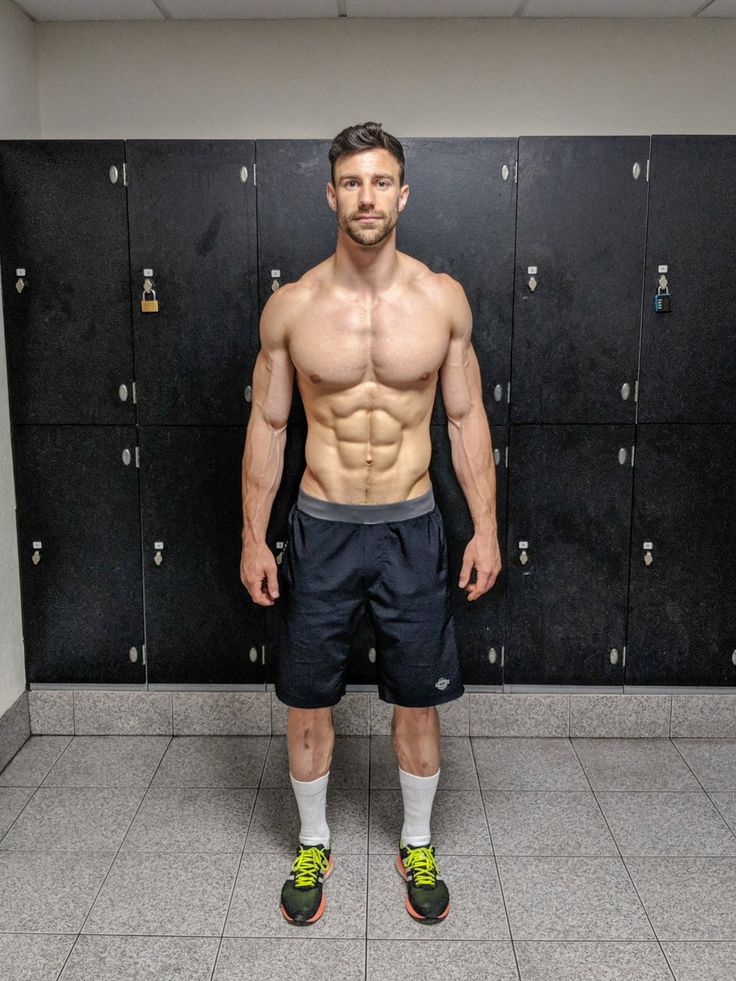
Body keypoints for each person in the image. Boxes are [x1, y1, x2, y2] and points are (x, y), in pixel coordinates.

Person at [240, 121, 501, 927]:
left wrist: (484, 528)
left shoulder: (440, 300)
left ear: (403, 194)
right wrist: (255, 535)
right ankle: (312, 840)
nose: (366, 196)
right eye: (352, 182)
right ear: (331, 194)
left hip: (411, 528)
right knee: (307, 699)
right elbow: (270, 428)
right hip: (321, 527)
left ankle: (416, 842)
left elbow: (465, 421)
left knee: (417, 699)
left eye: (381, 181)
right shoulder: (291, 308)